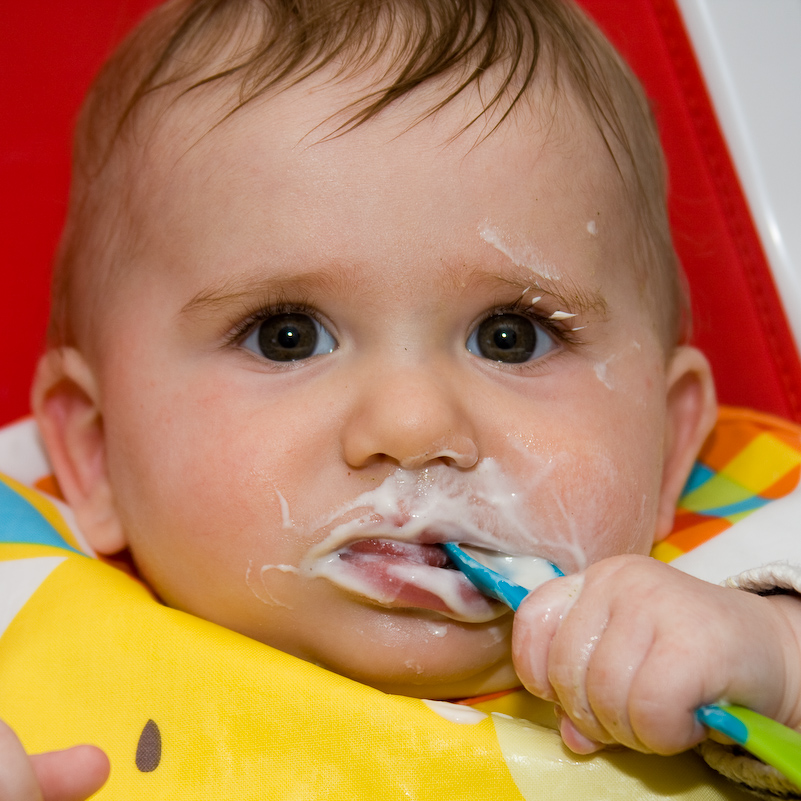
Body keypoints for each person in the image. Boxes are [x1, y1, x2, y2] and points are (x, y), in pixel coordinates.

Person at [4, 0, 801, 796]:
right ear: (97, 450)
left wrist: (775, 665)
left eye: (509, 337)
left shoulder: (739, 602)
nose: (413, 425)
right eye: (287, 335)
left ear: (667, 445)